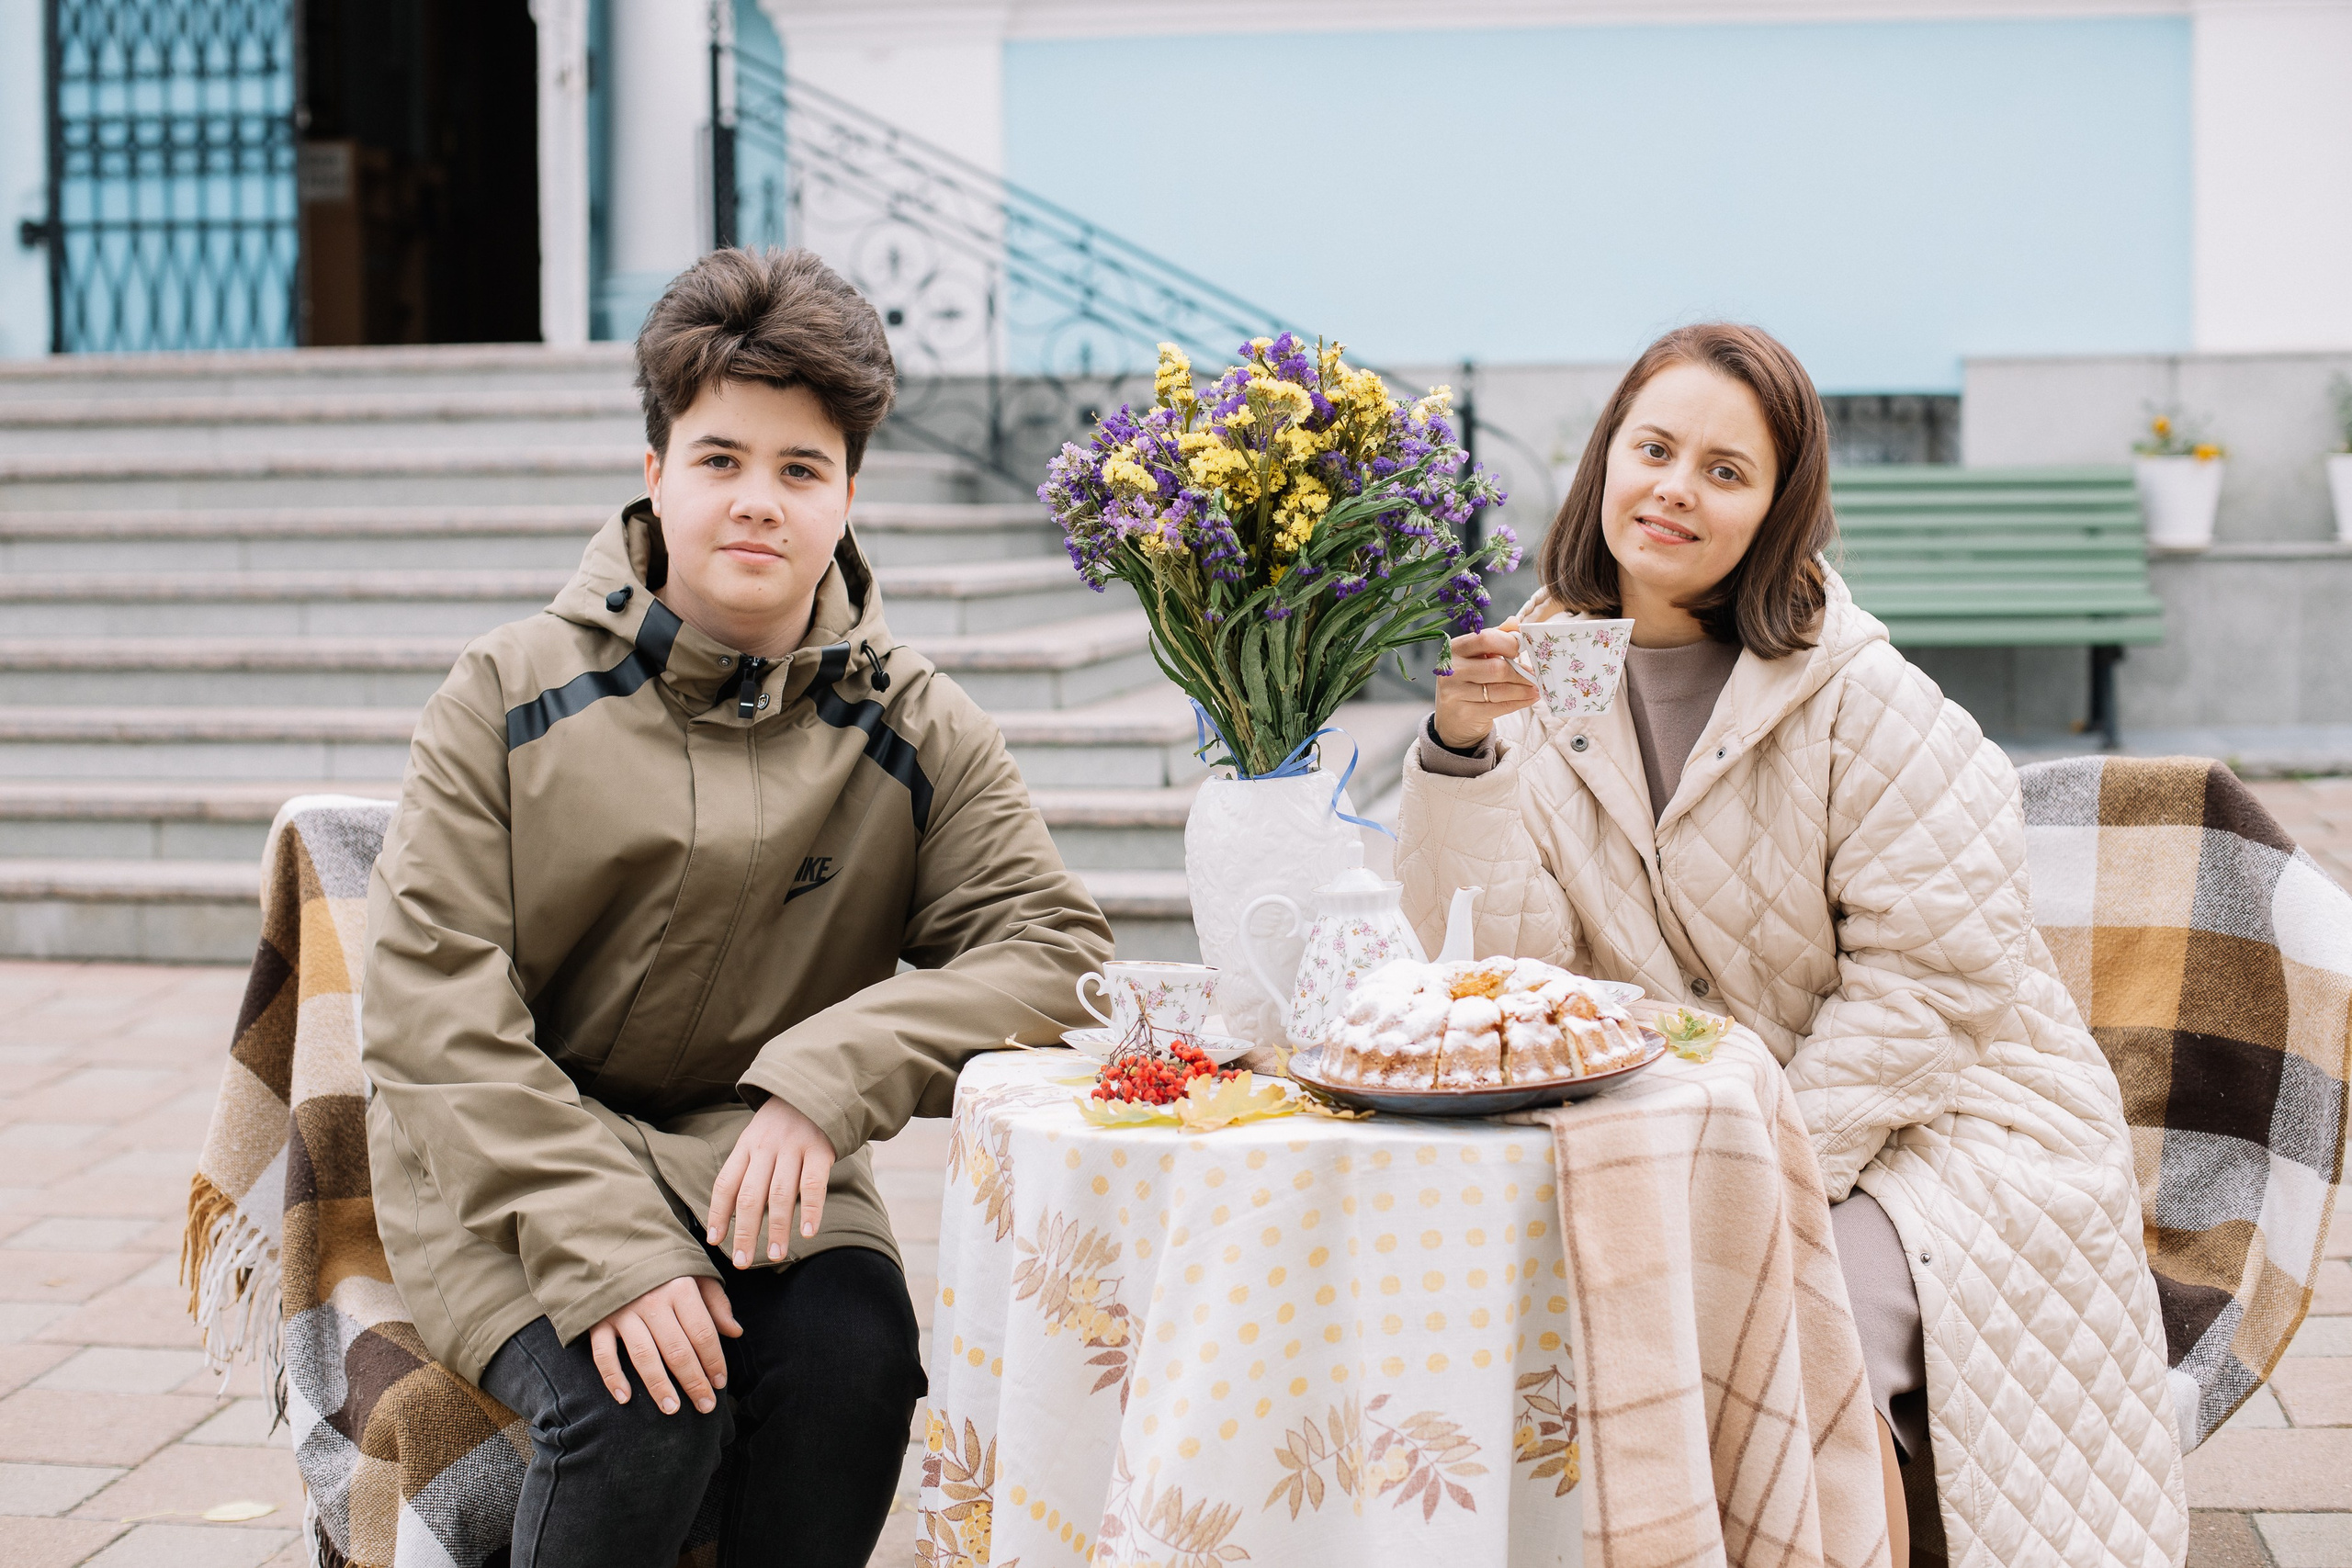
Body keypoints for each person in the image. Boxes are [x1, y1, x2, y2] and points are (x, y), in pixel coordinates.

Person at [360, 247, 1114, 1568]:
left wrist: (831, 1074)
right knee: (644, 1409)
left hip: (763, 1172)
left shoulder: (914, 721)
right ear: (654, 474)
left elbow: (1054, 955)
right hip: (522, 1163)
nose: (756, 502)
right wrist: (610, 1250)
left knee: (855, 1376)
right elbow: (433, 1009)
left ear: (847, 498)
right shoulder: (505, 689)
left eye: (799, 470)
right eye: (720, 459)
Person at [1396, 323, 2188, 1566]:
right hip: (1697, 1130)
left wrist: (1763, 1170)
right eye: (1653, 449)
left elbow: (1935, 984)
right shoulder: (1539, 676)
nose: (1674, 489)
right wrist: (1463, 761)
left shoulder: (1860, 693)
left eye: (1725, 469)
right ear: (1608, 460)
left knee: (1788, 1332)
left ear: (1776, 509)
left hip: (1947, 1130)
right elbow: (1518, 972)